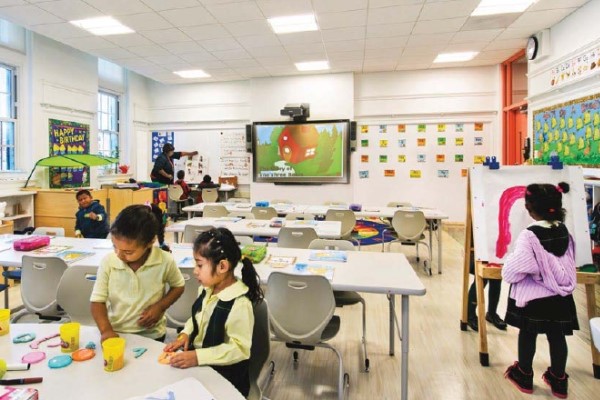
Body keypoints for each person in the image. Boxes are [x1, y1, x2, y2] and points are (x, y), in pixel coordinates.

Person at [163, 227, 264, 397]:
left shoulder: (239, 304)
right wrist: (186, 333)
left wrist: (197, 357)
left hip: (227, 379)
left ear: (222, 266)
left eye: (200, 264)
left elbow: (240, 349)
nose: (195, 270)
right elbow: (196, 318)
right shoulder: (206, 289)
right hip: (201, 370)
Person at [502, 182, 578, 399]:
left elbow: (518, 268)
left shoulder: (530, 235)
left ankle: (524, 375)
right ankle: (559, 381)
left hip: (534, 299)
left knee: (527, 334)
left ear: (529, 208)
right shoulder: (563, 230)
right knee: (557, 337)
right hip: (560, 298)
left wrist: (508, 272)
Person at [90, 205, 185, 342]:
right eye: (115, 247)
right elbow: (97, 301)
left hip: (153, 334)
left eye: (128, 252)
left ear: (150, 242)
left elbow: (179, 286)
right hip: (116, 331)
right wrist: (106, 330)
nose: (119, 255)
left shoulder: (164, 260)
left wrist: (160, 307)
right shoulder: (109, 262)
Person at [466, 248, 507, 331]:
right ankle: (470, 314)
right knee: (481, 279)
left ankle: (491, 313)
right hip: (478, 246)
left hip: (494, 245)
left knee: (496, 276)